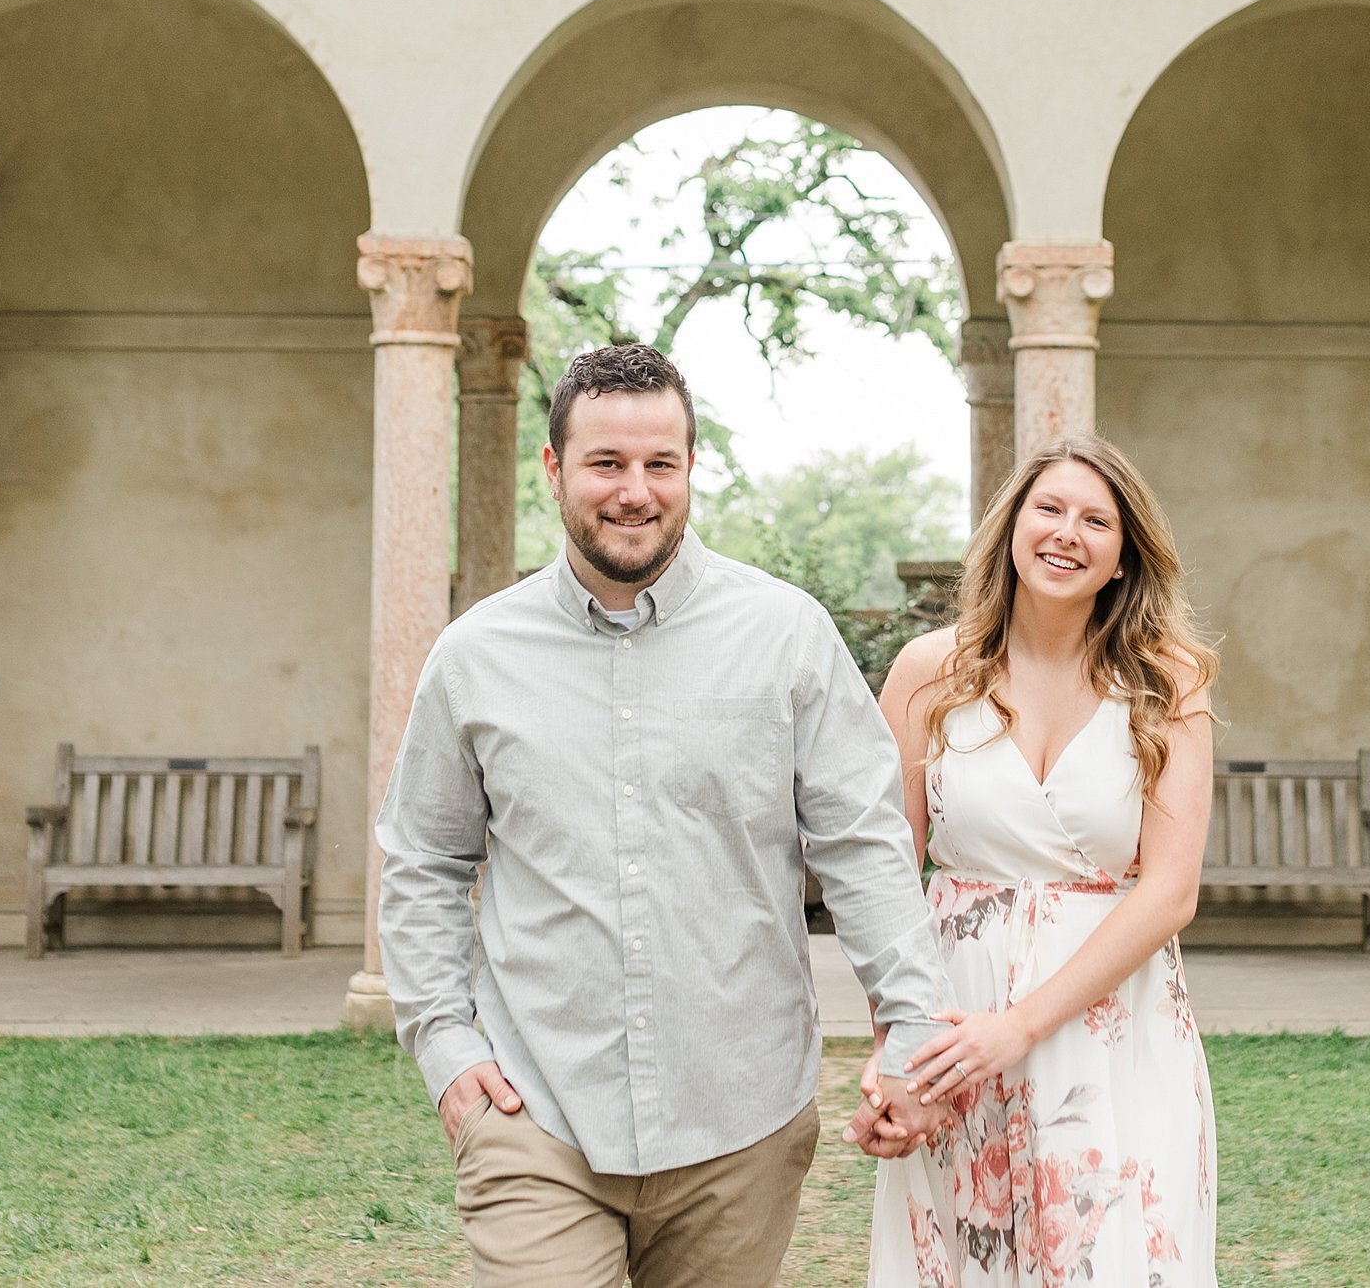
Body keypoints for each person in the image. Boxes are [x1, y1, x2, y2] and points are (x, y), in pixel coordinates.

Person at [376, 343, 955, 1288]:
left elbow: (864, 846)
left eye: (661, 464)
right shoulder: (474, 654)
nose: (634, 491)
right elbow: (424, 859)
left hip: (741, 1117)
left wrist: (914, 1022)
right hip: (535, 1113)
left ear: (691, 468)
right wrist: (444, 1043)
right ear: (556, 468)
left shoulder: (786, 636)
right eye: (606, 463)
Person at [863, 435, 1221, 1287]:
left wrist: (1018, 1027)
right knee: (957, 1258)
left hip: (1111, 1031)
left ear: (1123, 557)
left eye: (1097, 520)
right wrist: (896, 1054)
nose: (1068, 532)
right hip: (952, 1020)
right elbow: (881, 874)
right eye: (1049, 509)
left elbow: (1169, 891)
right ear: (1012, 527)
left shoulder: (1169, 682)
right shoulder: (928, 672)